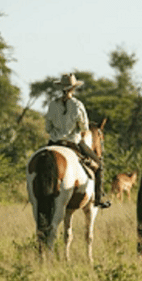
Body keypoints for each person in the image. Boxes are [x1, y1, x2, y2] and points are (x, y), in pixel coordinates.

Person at [45, 73, 111, 208]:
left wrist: (57, 133)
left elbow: (47, 128)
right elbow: (84, 127)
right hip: (73, 142)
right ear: (73, 88)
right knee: (99, 165)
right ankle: (98, 199)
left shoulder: (52, 104)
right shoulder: (78, 105)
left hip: (54, 142)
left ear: (61, 88)